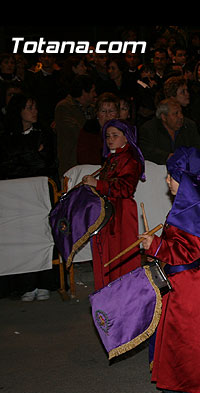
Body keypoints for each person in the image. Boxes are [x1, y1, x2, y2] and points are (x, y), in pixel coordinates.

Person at [140, 146, 200, 393]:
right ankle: (173, 386)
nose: (167, 181)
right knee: (171, 337)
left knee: (191, 341)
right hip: (176, 281)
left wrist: (156, 246)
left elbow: (190, 252)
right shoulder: (185, 204)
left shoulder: (194, 207)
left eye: (171, 177)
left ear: (185, 179)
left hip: (189, 284)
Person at [0, 92, 57, 301]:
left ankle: (45, 283)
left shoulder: (45, 134)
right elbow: (6, 166)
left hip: (39, 195)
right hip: (15, 197)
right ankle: (25, 284)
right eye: (29, 107)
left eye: (35, 107)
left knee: (43, 236)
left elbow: (45, 163)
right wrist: (31, 154)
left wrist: (23, 157)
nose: (34, 111)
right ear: (19, 111)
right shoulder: (7, 136)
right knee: (20, 238)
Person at [81, 119, 144, 290]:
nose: (110, 139)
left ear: (127, 137)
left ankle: (125, 293)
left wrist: (98, 184)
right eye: (107, 136)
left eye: (115, 135)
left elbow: (126, 188)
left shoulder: (130, 159)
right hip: (109, 211)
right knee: (108, 253)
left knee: (122, 255)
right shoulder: (113, 158)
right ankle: (109, 291)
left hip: (122, 213)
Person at [138, 98, 200, 165]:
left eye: (181, 112)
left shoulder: (189, 126)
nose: (181, 116)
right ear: (164, 117)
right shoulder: (149, 129)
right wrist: (168, 157)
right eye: (176, 113)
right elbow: (146, 152)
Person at [54, 75, 97, 179]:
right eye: (92, 91)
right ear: (84, 92)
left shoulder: (92, 109)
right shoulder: (64, 107)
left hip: (90, 161)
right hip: (71, 162)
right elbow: (75, 132)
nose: (95, 95)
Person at [76, 92, 120, 165]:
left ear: (117, 114)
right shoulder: (89, 131)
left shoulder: (125, 131)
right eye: (103, 111)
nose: (107, 115)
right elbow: (84, 159)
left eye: (111, 111)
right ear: (97, 114)